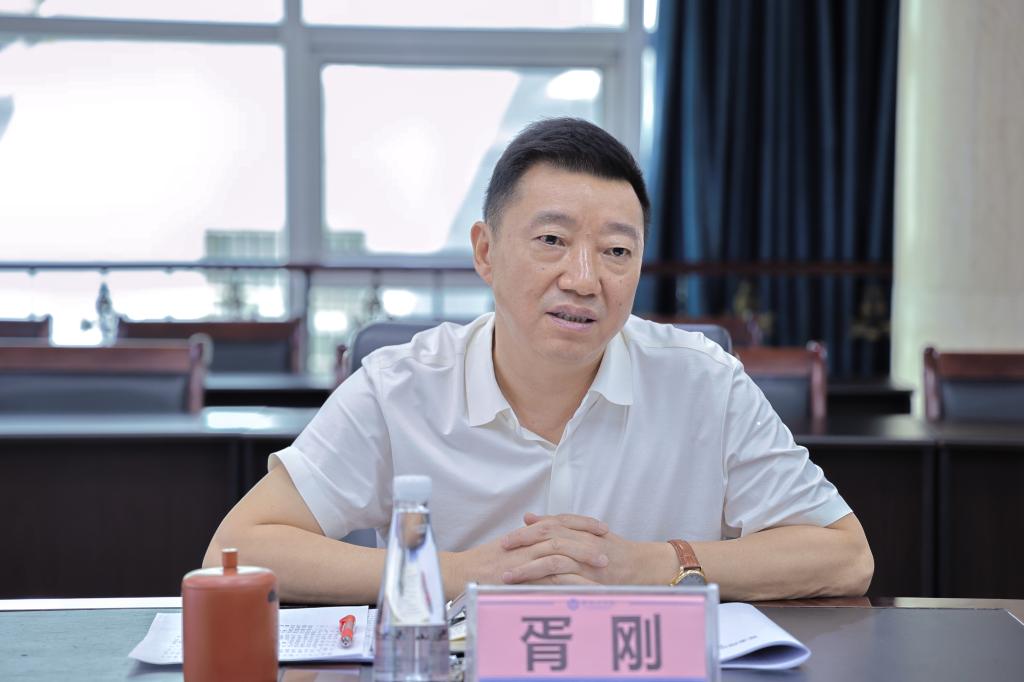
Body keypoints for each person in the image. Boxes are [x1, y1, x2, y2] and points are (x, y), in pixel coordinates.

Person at [204, 118, 873, 604]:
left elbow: (846, 556)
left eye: (616, 252)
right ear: (486, 252)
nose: (584, 279)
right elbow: (238, 551)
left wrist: (654, 565)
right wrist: (459, 573)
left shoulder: (704, 381)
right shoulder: (399, 387)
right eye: (552, 240)